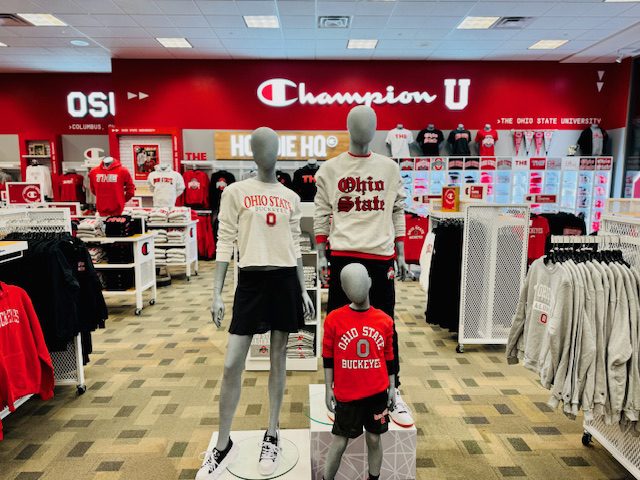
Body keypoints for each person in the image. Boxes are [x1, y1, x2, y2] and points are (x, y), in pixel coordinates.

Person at [198, 127, 315, 480]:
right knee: (233, 363)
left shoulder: (291, 197)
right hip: (249, 282)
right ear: (251, 152)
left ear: (278, 150)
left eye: (271, 145)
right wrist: (216, 292)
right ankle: (222, 442)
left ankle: (272, 432)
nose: (265, 151)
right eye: (258, 146)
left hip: (283, 282)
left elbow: (295, 245)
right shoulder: (235, 192)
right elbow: (225, 242)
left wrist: (303, 288)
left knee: (279, 359)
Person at [315, 105, 414, 427]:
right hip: (343, 254)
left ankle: (392, 390)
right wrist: (319, 254)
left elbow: (398, 209)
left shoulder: (389, 168)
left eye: (370, 123)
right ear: (348, 127)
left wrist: (400, 250)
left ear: (376, 129)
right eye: (358, 123)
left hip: (380, 256)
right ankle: (339, 390)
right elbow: (320, 212)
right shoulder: (330, 169)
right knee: (338, 327)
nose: (364, 128)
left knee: (386, 327)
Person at [322, 263, 395, 480]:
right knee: (340, 441)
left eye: (361, 280)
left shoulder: (384, 320)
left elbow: (389, 356)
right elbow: (328, 357)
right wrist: (328, 387)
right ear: (343, 289)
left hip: (377, 393)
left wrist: (392, 387)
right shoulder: (334, 319)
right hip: (347, 394)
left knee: (374, 439)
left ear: (370, 282)